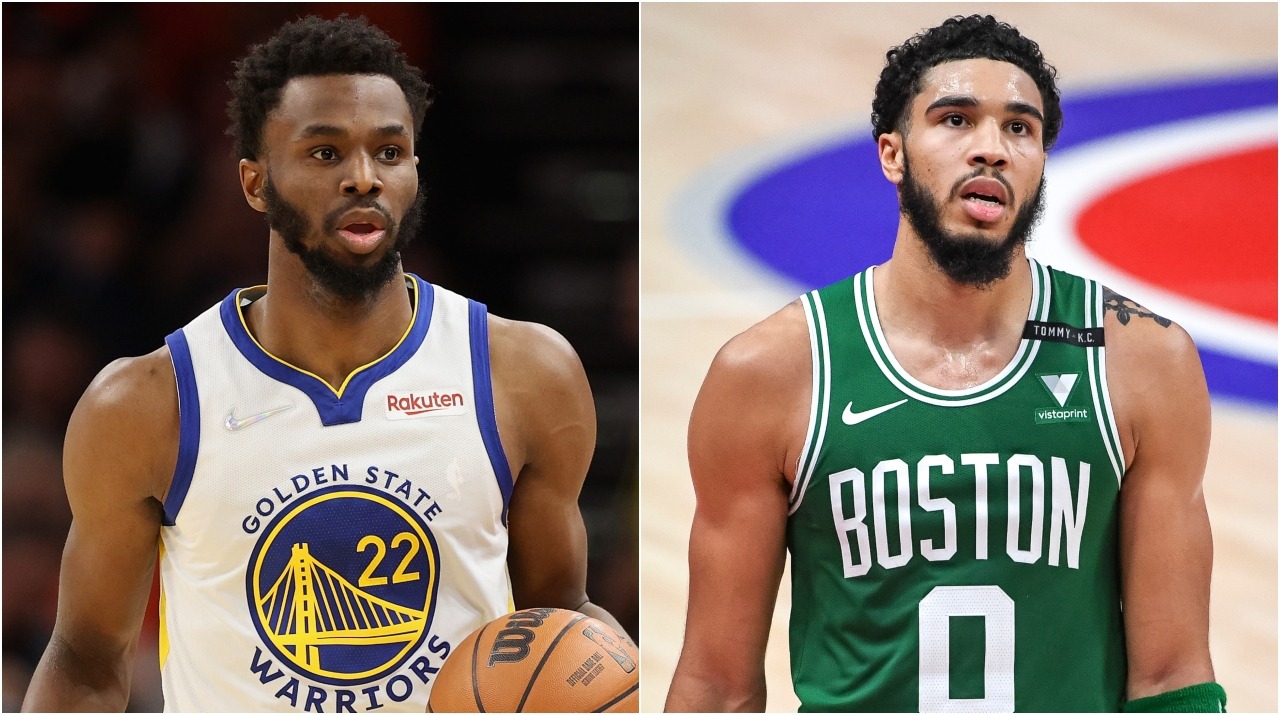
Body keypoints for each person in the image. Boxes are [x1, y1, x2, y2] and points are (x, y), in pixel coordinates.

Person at [23, 15, 630, 712]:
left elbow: (562, 618)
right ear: (255, 181)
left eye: (389, 151)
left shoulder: (522, 373)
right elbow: (86, 657)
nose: (363, 178)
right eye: (324, 153)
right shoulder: (146, 403)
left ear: (414, 171)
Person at [665, 14, 1223, 713]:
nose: (991, 148)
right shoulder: (770, 374)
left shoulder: (1141, 359)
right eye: (956, 119)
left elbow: (1172, 676)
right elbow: (717, 685)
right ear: (892, 154)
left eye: (1020, 128)